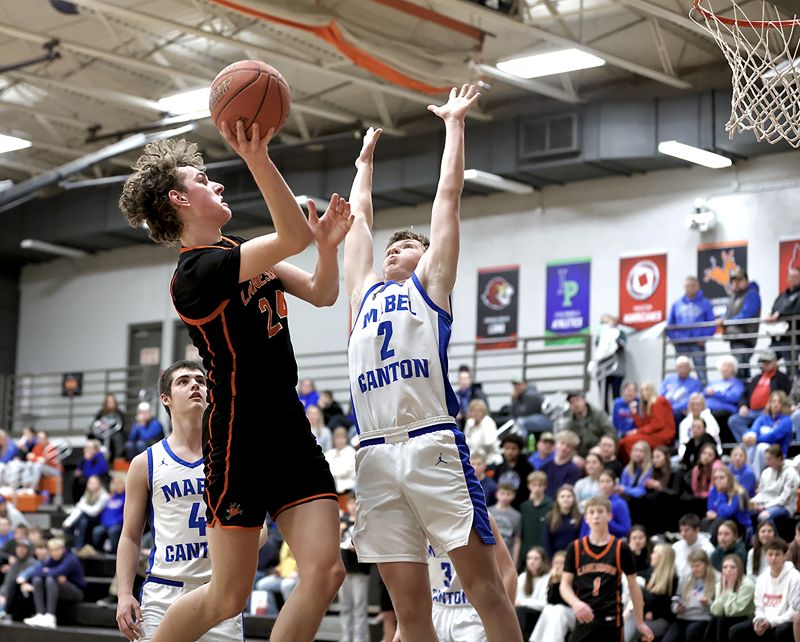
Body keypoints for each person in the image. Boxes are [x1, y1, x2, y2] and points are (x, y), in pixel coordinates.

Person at [120, 115, 352, 642]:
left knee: (326, 572)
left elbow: (321, 292)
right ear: (179, 200)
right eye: (203, 180)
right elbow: (293, 235)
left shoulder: (237, 250)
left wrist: (329, 249)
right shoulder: (194, 274)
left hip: (288, 422)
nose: (218, 185)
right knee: (228, 596)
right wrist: (256, 155)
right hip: (238, 432)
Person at [343, 88, 521, 642]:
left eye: (407, 245)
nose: (394, 248)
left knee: (484, 589)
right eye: (391, 246)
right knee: (410, 616)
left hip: (430, 441)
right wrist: (364, 166)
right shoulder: (362, 297)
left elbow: (447, 196)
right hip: (373, 452)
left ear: (428, 258)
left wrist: (454, 125)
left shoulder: (431, 287)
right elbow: (358, 222)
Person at [116, 361, 259, 642]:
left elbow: (259, 530)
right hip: (163, 592)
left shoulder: (231, 460)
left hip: (217, 592)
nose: (195, 385)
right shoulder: (145, 462)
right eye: (183, 381)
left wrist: (231, 541)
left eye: (201, 381)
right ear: (165, 399)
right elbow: (130, 536)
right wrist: (123, 593)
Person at [560, 495, 654, 642]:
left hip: (611, 620)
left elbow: (634, 586)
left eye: (600, 511)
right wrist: (575, 603)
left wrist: (640, 622)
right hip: (584, 618)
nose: (596, 516)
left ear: (609, 516)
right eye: (591, 512)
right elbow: (565, 584)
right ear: (586, 518)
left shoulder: (621, 548)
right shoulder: (575, 547)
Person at [428, 514, 516, 642]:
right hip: (435, 609)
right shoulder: (416, 514)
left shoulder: (477, 513)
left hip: (472, 612)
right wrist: (403, 625)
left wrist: (504, 620)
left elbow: (508, 571)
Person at [729, 538, 798, 642]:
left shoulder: (795, 577)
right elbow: (759, 606)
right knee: (735, 631)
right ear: (765, 556)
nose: (773, 558)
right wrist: (759, 620)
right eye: (770, 554)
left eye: (777, 554)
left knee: (781, 631)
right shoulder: (762, 578)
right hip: (765, 621)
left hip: (783, 622)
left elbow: (794, 611)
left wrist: (771, 622)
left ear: (784, 556)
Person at [22, 537, 86, 629]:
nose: (55, 553)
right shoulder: (51, 559)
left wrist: (49, 571)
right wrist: (51, 572)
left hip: (76, 591)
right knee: (37, 579)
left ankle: (50, 616)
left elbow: (58, 571)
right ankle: (40, 614)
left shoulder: (71, 559)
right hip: (59, 588)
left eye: (57, 550)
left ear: (63, 549)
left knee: (51, 579)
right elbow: (36, 572)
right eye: (52, 550)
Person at [728, 350, 792, 442]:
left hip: (768, 412)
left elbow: (784, 396)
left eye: (768, 361)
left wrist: (771, 408)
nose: (766, 364)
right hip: (751, 411)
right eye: (764, 362)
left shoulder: (782, 378)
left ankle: (752, 441)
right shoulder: (756, 378)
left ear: (775, 362)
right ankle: (748, 442)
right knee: (734, 420)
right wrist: (743, 405)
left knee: (760, 420)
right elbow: (745, 394)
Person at [666, 276, 716, 384]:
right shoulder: (676, 304)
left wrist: (704, 337)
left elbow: (712, 324)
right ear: (684, 287)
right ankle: (680, 392)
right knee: (681, 372)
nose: (690, 288)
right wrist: (674, 338)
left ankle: (704, 392)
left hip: (697, 343)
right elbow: (669, 325)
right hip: (681, 343)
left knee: (701, 372)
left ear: (698, 287)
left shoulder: (706, 303)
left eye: (692, 286)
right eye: (687, 286)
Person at [623, 542, 677, 642]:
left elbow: (665, 606)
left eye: (655, 553)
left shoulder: (672, 579)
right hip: (645, 617)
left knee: (631, 625)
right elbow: (632, 576)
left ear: (662, 557)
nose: (651, 555)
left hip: (661, 621)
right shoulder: (651, 572)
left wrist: (653, 612)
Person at [661, 549, 716, 642]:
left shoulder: (716, 579)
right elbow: (675, 600)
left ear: (706, 564)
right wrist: (676, 608)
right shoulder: (686, 578)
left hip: (702, 618)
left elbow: (719, 608)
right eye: (692, 566)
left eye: (697, 566)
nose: (694, 569)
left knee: (692, 631)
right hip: (683, 617)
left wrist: (708, 604)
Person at [338, 492, 371, 642]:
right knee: (345, 607)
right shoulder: (342, 521)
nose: (353, 506)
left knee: (359, 607)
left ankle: (359, 638)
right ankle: (346, 637)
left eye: (355, 503)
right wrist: (340, 530)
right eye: (350, 503)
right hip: (344, 570)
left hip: (360, 570)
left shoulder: (364, 522)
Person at [619, 382, 676, 462]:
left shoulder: (659, 401)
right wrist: (634, 413)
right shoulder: (647, 405)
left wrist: (637, 431)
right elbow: (643, 425)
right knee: (622, 442)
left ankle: (636, 465)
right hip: (653, 434)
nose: (643, 393)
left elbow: (658, 424)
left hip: (662, 435)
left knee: (627, 442)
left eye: (646, 390)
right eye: (642, 391)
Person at [742, 391, 792, 479]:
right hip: (759, 449)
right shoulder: (763, 418)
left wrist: (756, 440)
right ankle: (748, 476)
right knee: (748, 443)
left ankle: (757, 479)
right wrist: (746, 437)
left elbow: (773, 437)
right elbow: (753, 430)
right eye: (774, 401)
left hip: (778, 454)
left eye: (779, 402)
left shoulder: (786, 420)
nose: (776, 404)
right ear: (769, 403)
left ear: (783, 405)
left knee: (761, 447)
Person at [721, 269, 762, 378]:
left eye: (739, 280)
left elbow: (746, 314)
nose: (736, 283)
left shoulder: (752, 294)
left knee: (741, 369)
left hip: (745, 338)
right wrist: (723, 319)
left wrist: (726, 322)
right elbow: (727, 313)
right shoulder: (734, 296)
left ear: (746, 280)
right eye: (734, 281)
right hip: (735, 336)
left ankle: (745, 388)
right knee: (740, 368)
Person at [705, 554, 755, 642]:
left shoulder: (748, 585)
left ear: (739, 569)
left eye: (732, 567)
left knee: (722, 620)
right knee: (715, 620)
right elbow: (716, 611)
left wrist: (729, 590)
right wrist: (723, 591)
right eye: (725, 567)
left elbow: (732, 611)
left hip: (746, 618)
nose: (728, 570)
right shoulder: (720, 584)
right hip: (727, 617)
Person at [529, 551, 573, 642]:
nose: (558, 566)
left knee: (558, 609)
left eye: (561, 563)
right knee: (548, 608)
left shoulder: (572, 577)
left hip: (573, 613)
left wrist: (561, 580)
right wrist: (555, 581)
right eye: (556, 563)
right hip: (559, 612)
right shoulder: (553, 577)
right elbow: (551, 601)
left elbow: (564, 602)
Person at [750, 444, 800, 523]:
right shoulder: (766, 472)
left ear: (779, 458)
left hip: (785, 507)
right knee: (746, 510)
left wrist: (765, 506)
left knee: (764, 516)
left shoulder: (791, 473)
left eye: (770, 459)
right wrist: (754, 502)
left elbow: (785, 498)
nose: (767, 462)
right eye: (766, 459)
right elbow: (762, 493)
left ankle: (771, 531)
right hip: (765, 503)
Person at [562, 390, 615, 460]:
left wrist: (601, 446)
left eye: (577, 400)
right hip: (580, 453)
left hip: (598, 449)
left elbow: (610, 432)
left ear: (584, 400)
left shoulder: (598, 415)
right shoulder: (569, 420)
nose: (575, 404)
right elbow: (565, 439)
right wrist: (574, 455)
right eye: (572, 402)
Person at [579, 469, 631, 539]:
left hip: (611, 541)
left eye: (608, 481)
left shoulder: (619, 503)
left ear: (614, 483)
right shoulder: (593, 502)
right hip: (591, 541)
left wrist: (607, 520)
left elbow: (626, 530)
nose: (604, 485)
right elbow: (585, 527)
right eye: (602, 481)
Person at [704, 466, 750, 544]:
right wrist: (715, 514)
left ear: (729, 479)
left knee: (720, 520)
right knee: (705, 521)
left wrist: (721, 493)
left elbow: (727, 513)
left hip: (739, 524)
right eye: (715, 478)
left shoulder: (738, 492)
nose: (718, 481)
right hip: (721, 520)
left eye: (722, 478)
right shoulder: (713, 490)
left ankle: (710, 544)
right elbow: (710, 511)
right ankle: (705, 543)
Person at [593, 314, 628, 414]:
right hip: (602, 369)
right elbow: (599, 348)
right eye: (603, 322)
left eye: (607, 322)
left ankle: (617, 416)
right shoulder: (600, 335)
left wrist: (614, 340)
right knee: (603, 396)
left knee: (616, 395)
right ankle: (605, 416)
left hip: (617, 369)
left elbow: (622, 345)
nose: (605, 324)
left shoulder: (620, 333)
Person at [63, 474, 109, 550]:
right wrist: (68, 521)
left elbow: (94, 512)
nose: (91, 485)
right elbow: (78, 509)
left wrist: (81, 506)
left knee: (83, 517)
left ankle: (77, 546)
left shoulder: (104, 495)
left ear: (99, 484)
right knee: (82, 521)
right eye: (89, 482)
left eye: (93, 483)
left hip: (99, 520)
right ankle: (76, 546)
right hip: (86, 519)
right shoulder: (86, 494)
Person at [704, 356, 744, 442]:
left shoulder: (737, 383)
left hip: (726, 411)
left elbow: (735, 397)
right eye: (724, 366)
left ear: (733, 369)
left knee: (715, 417)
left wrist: (715, 394)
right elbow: (704, 394)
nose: (725, 369)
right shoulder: (714, 383)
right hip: (708, 410)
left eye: (728, 366)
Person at [766, 266, 800, 362]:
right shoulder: (782, 296)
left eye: (795, 277)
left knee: (791, 366)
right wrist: (770, 315)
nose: (792, 279)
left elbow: (797, 310)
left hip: (793, 339)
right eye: (790, 276)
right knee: (764, 360)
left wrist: (780, 314)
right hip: (777, 338)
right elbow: (774, 309)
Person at [491, 433, 534, 508]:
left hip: (521, 506)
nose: (510, 452)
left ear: (519, 450)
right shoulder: (498, 468)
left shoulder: (528, 468)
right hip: (501, 507)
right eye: (507, 448)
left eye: (513, 448)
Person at [515, 547, 550, 640]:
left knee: (521, 611)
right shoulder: (523, 577)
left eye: (536, 558)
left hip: (540, 615)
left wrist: (522, 602)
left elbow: (545, 603)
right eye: (529, 558)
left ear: (543, 561)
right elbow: (516, 599)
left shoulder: (548, 577)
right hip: (523, 613)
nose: (532, 561)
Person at [519, 471, 552, 564]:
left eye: (540, 485)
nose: (537, 488)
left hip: (545, 551)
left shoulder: (551, 506)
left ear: (545, 486)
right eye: (534, 485)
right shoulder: (524, 507)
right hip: (526, 550)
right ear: (529, 486)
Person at [660, 356, 703, 423]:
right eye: (680, 367)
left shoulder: (695, 383)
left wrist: (672, 407)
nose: (682, 370)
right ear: (676, 368)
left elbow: (691, 400)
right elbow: (661, 394)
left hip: (681, 410)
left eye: (685, 367)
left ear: (690, 369)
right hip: (665, 407)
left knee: (676, 414)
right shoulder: (668, 380)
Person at [542, 485, 581, 559]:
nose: (566, 499)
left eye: (569, 496)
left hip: (574, 556)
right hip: (556, 558)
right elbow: (547, 540)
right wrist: (551, 558)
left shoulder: (579, 517)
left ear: (574, 499)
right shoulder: (550, 517)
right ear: (557, 499)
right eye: (562, 497)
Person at [673, 514, 715, 580]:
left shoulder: (708, 549)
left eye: (687, 530)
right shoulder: (676, 547)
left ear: (697, 530)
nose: (683, 534)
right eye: (681, 530)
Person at [540, 430, 581, 499]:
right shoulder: (545, 467)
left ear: (572, 450)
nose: (564, 448)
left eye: (568, 446)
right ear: (556, 444)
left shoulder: (574, 470)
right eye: (562, 443)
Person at [488, 484, 521, 567]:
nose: (505, 497)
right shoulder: (488, 512)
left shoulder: (517, 516)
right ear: (497, 494)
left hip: (507, 554)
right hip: (490, 553)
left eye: (508, 494)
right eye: (502, 493)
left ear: (513, 495)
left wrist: (515, 561)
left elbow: (517, 540)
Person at [92, 473, 125, 554]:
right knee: (96, 531)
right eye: (115, 483)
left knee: (112, 531)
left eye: (119, 483)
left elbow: (124, 515)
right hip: (106, 524)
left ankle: (114, 554)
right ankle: (98, 553)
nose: (117, 486)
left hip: (117, 524)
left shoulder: (126, 497)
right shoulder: (110, 497)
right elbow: (105, 513)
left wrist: (116, 522)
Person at [90, 392, 126, 461]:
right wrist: (101, 425)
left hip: (114, 433)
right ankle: (99, 459)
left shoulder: (119, 412)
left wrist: (110, 427)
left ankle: (118, 458)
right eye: (109, 402)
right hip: (103, 433)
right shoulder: (101, 412)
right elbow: (95, 423)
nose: (111, 404)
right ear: (106, 403)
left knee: (118, 438)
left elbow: (122, 425)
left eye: (112, 402)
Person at [463, 399, 499, 464]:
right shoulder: (469, 422)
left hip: (489, 459)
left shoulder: (488, 422)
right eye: (473, 411)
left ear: (484, 412)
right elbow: (465, 442)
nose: (476, 413)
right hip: (473, 460)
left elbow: (489, 443)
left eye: (478, 411)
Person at [325, 425, 356, 495]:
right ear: (334, 440)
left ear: (346, 439)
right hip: (331, 488)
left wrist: (332, 473)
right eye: (338, 438)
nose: (340, 441)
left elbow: (345, 471)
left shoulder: (350, 452)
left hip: (348, 488)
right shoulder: (329, 453)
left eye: (343, 438)